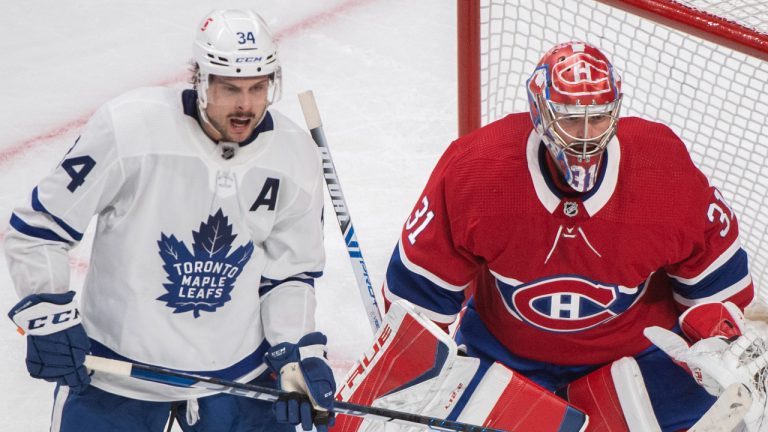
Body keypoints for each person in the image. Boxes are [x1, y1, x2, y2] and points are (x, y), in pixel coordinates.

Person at [380, 41, 758, 430]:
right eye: (569, 117)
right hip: (505, 359)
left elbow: (716, 283)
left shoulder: (662, 169)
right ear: (540, 112)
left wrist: (717, 337)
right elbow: (417, 299)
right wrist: (410, 372)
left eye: (597, 118)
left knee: (728, 411)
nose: (584, 136)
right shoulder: (476, 170)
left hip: (639, 362)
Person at [5, 9, 335, 432]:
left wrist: (295, 351)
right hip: (115, 370)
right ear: (199, 79)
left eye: (257, 87)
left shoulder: (294, 155)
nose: (245, 105)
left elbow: (291, 272)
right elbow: (39, 229)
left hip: (238, 377)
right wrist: (48, 310)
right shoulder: (129, 128)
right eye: (230, 88)